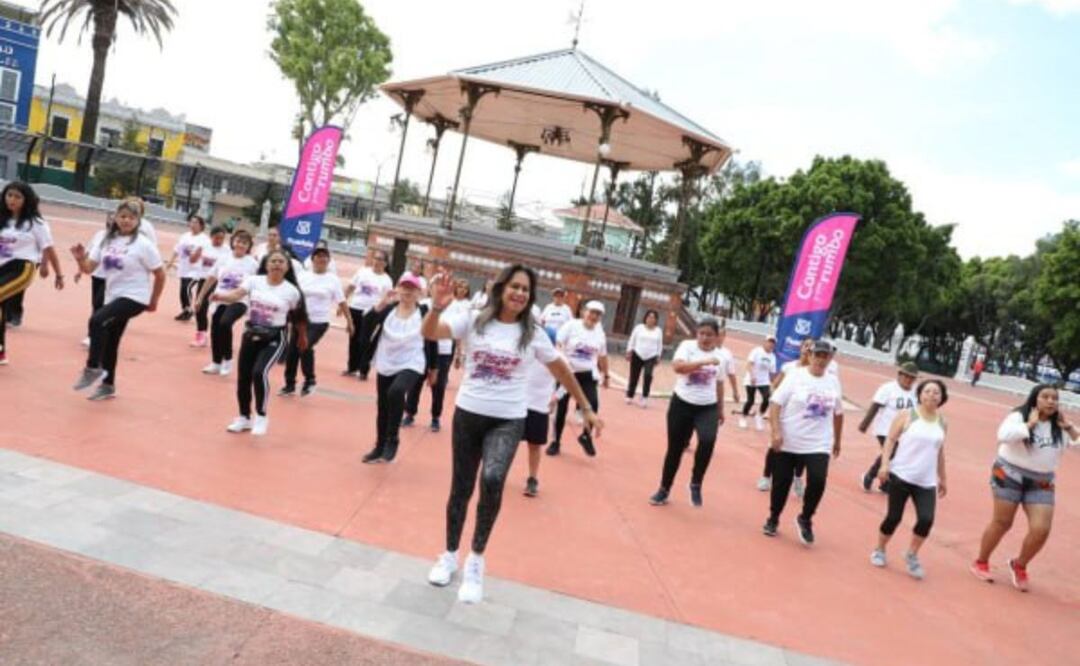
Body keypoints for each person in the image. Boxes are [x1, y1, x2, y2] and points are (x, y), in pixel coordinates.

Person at [422, 266, 603, 604]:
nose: (520, 293)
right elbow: (431, 333)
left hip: (507, 419)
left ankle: (476, 560)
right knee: (461, 487)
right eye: (515, 287)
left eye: (526, 289)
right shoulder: (474, 320)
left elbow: (560, 368)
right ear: (502, 288)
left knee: (491, 480)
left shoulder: (533, 333)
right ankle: (449, 555)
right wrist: (436, 305)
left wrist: (585, 406)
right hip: (468, 414)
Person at [970, 384, 1078, 591]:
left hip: (1042, 482)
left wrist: (1070, 428)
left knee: (1041, 529)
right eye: (1045, 397)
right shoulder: (1019, 416)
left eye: (1054, 398)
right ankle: (981, 561)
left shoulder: (1060, 425)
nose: (1050, 401)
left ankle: (1019, 564)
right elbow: (1003, 435)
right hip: (1008, 474)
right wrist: (1029, 424)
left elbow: (1077, 440)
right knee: (1002, 522)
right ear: (1035, 399)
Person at [70, 200, 165, 400]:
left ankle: (92, 367)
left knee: (96, 320)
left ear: (138, 221)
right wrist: (80, 258)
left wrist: (154, 299)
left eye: (131, 217)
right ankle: (108, 385)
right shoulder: (106, 240)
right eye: (122, 216)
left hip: (135, 297)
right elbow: (90, 268)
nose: (126, 220)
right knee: (111, 340)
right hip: (113, 295)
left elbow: (160, 273)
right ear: (115, 218)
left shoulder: (144, 244)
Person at [212, 249, 308, 436]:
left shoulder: (292, 291)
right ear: (266, 265)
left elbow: (298, 317)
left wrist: (302, 337)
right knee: (243, 378)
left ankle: (261, 416)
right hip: (251, 334)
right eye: (273, 261)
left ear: (287, 267)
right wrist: (220, 297)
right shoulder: (254, 281)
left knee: (259, 372)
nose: (277, 264)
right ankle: (244, 417)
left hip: (274, 337)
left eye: (281, 262)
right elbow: (236, 295)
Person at [762, 339, 844, 545]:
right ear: (810, 356)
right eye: (818, 355)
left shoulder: (833, 381)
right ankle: (773, 518)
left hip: (818, 443)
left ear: (830, 359)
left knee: (818, 480)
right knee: (781, 483)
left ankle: (805, 518)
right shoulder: (795, 376)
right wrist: (775, 432)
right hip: (789, 440)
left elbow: (838, 412)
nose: (821, 360)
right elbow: (775, 404)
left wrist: (837, 440)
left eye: (825, 356)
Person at [870, 379, 949, 580]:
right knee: (893, 517)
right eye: (927, 391)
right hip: (901, 475)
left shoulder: (942, 422)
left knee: (926, 519)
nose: (931, 396)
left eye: (936, 393)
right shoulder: (907, 415)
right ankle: (880, 549)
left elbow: (939, 450)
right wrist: (885, 464)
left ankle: (911, 554)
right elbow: (890, 439)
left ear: (942, 398)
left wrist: (943, 477)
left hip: (926, 480)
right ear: (920, 394)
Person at [648, 318, 728, 507]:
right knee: (675, 449)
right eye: (701, 333)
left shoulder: (722, 357)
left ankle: (695, 483)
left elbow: (719, 382)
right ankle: (664, 489)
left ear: (717, 337)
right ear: (696, 334)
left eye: (709, 334)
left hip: (707, 407)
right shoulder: (687, 347)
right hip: (682, 404)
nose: (705, 338)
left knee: (708, 441)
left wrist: (721, 408)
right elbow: (677, 368)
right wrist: (703, 362)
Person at [360, 272, 436, 463]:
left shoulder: (424, 312)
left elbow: (432, 340)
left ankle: (392, 439)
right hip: (387, 361)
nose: (407, 291)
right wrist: (381, 304)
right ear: (398, 289)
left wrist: (433, 369)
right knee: (383, 406)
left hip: (412, 362)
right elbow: (366, 325)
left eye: (412, 288)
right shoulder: (389, 310)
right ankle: (379, 446)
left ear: (419, 292)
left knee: (397, 391)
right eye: (404, 287)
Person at [0, 182, 64, 365]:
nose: (12, 200)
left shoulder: (35, 223)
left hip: (22, 268)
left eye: (17, 197)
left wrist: (58, 274)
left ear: (26, 200)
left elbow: (49, 249)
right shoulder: (2, 219)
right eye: (9, 195)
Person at [280, 246, 350, 396]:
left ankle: (310, 380)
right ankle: (289, 384)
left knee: (305, 346)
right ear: (312, 260)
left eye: (324, 257)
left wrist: (350, 322)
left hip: (319, 321)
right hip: (301, 320)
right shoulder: (303, 276)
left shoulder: (332, 280)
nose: (321, 259)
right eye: (318, 256)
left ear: (328, 260)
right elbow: (293, 295)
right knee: (292, 352)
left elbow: (342, 301)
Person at [404, 276, 469, 432]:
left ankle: (435, 417)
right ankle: (410, 413)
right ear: (431, 287)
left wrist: (459, 352)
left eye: (443, 285)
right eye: (436, 285)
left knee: (438, 385)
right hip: (423, 349)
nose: (439, 288)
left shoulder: (457, 307)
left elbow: (458, 332)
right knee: (415, 382)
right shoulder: (423, 305)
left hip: (444, 351)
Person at [547, 301, 608, 457]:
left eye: (598, 314)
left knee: (593, 405)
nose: (594, 316)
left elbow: (602, 355)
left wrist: (606, 374)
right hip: (568, 372)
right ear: (584, 312)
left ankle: (585, 436)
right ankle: (555, 442)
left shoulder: (600, 333)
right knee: (561, 408)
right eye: (592, 312)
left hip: (588, 375)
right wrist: (562, 357)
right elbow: (558, 342)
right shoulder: (571, 325)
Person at [194, 230, 259, 376]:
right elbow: (211, 278)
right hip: (219, 299)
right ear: (233, 242)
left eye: (244, 243)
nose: (240, 245)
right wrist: (200, 297)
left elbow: (258, 285)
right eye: (238, 241)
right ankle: (216, 363)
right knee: (216, 329)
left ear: (248, 246)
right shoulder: (224, 258)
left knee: (225, 323)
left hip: (239, 301)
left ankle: (228, 359)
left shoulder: (253, 264)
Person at [756, 338, 813, 493]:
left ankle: (797, 478)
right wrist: (775, 399)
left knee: (803, 448)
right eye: (806, 345)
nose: (808, 349)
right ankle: (766, 476)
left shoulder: (814, 371)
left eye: (811, 347)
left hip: (803, 415)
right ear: (800, 348)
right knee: (775, 445)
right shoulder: (789, 367)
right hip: (783, 412)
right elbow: (775, 384)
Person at [859, 362, 919, 492]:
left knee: (898, 456)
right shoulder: (888, 388)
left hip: (904, 431)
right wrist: (865, 424)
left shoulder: (915, 392)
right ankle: (869, 475)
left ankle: (885, 483)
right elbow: (875, 406)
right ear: (899, 375)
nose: (909, 380)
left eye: (912, 378)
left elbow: (916, 412)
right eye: (906, 376)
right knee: (891, 452)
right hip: (885, 429)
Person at [343, 247, 393, 380]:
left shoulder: (386, 280)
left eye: (380, 259)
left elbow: (387, 299)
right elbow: (351, 287)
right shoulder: (363, 272)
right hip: (356, 308)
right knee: (353, 338)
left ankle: (363, 370)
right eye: (375, 258)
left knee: (365, 341)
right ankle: (352, 367)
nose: (377, 261)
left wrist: (382, 314)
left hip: (372, 313)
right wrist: (343, 300)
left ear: (385, 263)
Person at [189, 225, 230, 348]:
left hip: (218, 282)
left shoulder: (227, 250)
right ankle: (201, 334)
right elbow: (192, 260)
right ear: (211, 236)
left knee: (217, 310)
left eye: (221, 238)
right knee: (199, 307)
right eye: (216, 238)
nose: (219, 241)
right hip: (203, 280)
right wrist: (196, 253)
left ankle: (218, 335)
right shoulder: (204, 246)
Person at [166, 213, 209, 322]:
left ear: (201, 225)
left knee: (187, 288)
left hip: (196, 270)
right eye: (191, 222)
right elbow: (177, 250)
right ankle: (185, 310)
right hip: (184, 268)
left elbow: (208, 254)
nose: (193, 224)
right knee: (182, 291)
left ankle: (189, 310)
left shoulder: (204, 239)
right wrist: (170, 261)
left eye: (196, 222)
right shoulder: (185, 236)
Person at [625, 310, 664, 408]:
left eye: (653, 317)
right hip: (637, 354)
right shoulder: (639, 328)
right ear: (645, 318)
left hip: (651, 356)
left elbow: (659, 344)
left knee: (648, 375)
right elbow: (632, 339)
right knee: (634, 375)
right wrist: (629, 351)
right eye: (649, 317)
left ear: (656, 320)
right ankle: (630, 395)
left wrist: (658, 355)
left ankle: (644, 397)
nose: (651, 319)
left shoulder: (658, 331)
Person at [740, 335, 778, 431]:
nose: (770, 344)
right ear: (764, 342)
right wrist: (752, 376)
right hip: (752, 379)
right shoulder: (756, 351)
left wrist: (775, 384)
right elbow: (749, 364)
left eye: (773, 343)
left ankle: (760, 416)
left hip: (764, 381)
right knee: (750, 400)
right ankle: (743, 417)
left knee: (767, 398)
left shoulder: (772, 356)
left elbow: (772, 372)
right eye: (769, 342)